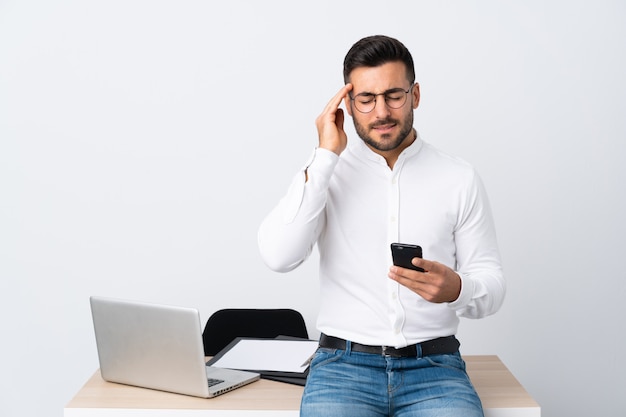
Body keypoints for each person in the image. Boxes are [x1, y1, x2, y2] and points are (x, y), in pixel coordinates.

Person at [257, 35, 505, 417]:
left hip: (436, 370)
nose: (381, 112)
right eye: (366, 99)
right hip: (342, 368)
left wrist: (457, 288)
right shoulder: (326, 172)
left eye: (394, 95)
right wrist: (324, 156)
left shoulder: (459, 178)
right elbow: (278, 256)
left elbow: (492, 284)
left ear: (415, 95)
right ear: (348, 105)